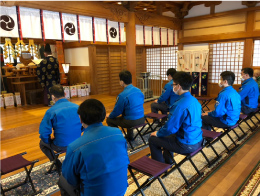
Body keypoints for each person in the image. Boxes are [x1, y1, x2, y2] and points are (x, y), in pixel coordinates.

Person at [58, 99, 129, 196]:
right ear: (103, 116)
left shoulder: (75, 147)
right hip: (121, 190)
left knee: (62, 180)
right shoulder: (117, 133)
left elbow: (71, 180)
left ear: (81, 119)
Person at [148, 71, 203, 164]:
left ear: (179, 86)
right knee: (168, 136)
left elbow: (170, 128)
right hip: (198, 139)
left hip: (186, 144)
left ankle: (158, 167)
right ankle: (168, 161)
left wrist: (158, 133)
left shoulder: (179, 105)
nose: (172, 87)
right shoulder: (195, 100)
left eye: (173, 85)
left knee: (152, 139)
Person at [39, 85, 82, 172]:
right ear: (65, 94)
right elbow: (85, 124)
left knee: (42, 143)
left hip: (61, 145)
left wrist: (48, 141)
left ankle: (58, 164)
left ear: (53, 97)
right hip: (78, 142)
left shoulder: (51, 111)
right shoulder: (77, 107)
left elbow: (44, 133)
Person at [106, 70, 145, 140]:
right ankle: (130, 136)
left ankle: (119, 137)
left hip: (131, 122)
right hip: (142, 118)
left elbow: (117, 111)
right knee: (129, 114)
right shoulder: (139, 90)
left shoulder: (122, 95)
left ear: (122, 82)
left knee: (109, 120)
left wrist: (110, 115)